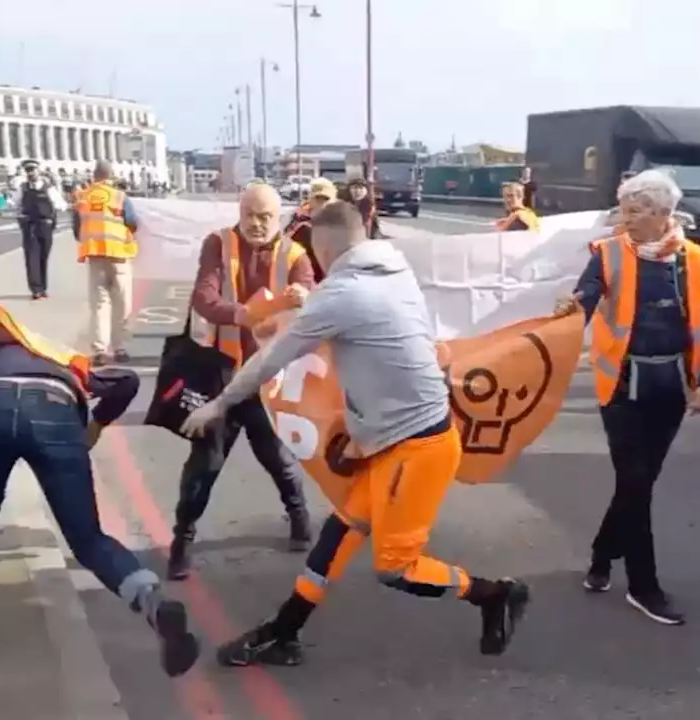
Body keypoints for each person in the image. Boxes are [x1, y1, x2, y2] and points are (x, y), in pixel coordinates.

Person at [180, 200, 531, 666]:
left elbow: (271, 360)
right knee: (339, 534)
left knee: (397, 569)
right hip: (394, 439)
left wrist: (221, 403)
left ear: (322, 248)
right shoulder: (394, 268)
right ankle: (284, 633)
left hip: (416, 448)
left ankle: (495, 595)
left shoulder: (342, 295)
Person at [0, 302, 199, 675]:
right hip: (56, 408)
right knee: (87, 538)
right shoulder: (49, 355)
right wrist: (96, 425)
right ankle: (150, 600)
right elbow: (127, 382)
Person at [554, 169, 700, 625]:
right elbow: (585, 299)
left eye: (637, 209)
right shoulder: (607, 254)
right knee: (635, 480)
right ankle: (644, 587)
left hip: (670, 388)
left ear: (665, 214)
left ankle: (602, 555)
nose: (626, 217)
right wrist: (569, 313)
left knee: (637, 482)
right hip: (621, 386)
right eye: (624, 208)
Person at [168, 183, 315, 580]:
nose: (256, 223)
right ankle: (181, 541)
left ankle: (299, 517)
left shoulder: (296, 253)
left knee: (277, 458)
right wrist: (242, 315)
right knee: (205, 463)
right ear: (240, 211)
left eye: (265, 216)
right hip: (223, 372)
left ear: (278, 216)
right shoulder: (218, 243)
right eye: (250, 214)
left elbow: (313, 293)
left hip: (269, 377)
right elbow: (203, 296)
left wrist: (303, 294)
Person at [73, 161, 139, 365]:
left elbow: (77, 229)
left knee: (100, 304)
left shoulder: (83, 197)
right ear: (111, 176)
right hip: (118, 255)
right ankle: (120, 349)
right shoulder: (120, 197)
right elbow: (133, 222)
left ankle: (100, 350)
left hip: (95, 256)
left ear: (94, 176)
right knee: (122, 303)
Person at [17, 160, 57, 299]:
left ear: (38, 171)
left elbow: (58, 203)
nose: (30, 173)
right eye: (28, 170)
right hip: (30, 226)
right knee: (32, 257)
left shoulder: (48, 187)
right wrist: (21, 216)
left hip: (45, 225)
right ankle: (35, 289)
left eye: (33, 170)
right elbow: (15, 203)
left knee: (43, 257)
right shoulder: (23, 188)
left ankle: (43, 287)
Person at [285, 177, 337, 282]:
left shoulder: (339, 224)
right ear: (311, 200)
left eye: (326, 199)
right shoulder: (301, 226)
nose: (322, 204)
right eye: (318, 198)